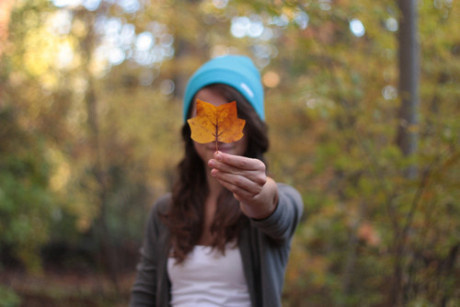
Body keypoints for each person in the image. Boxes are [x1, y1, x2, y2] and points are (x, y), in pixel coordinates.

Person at [130, 55, 303, 307]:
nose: (217, 135)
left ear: (251, 125)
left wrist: (261, 199)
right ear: (189, 129)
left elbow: (279, 213)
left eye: (232, 117)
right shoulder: (165, 212)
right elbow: (144, 295)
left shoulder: (279, 199)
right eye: (204, 117)